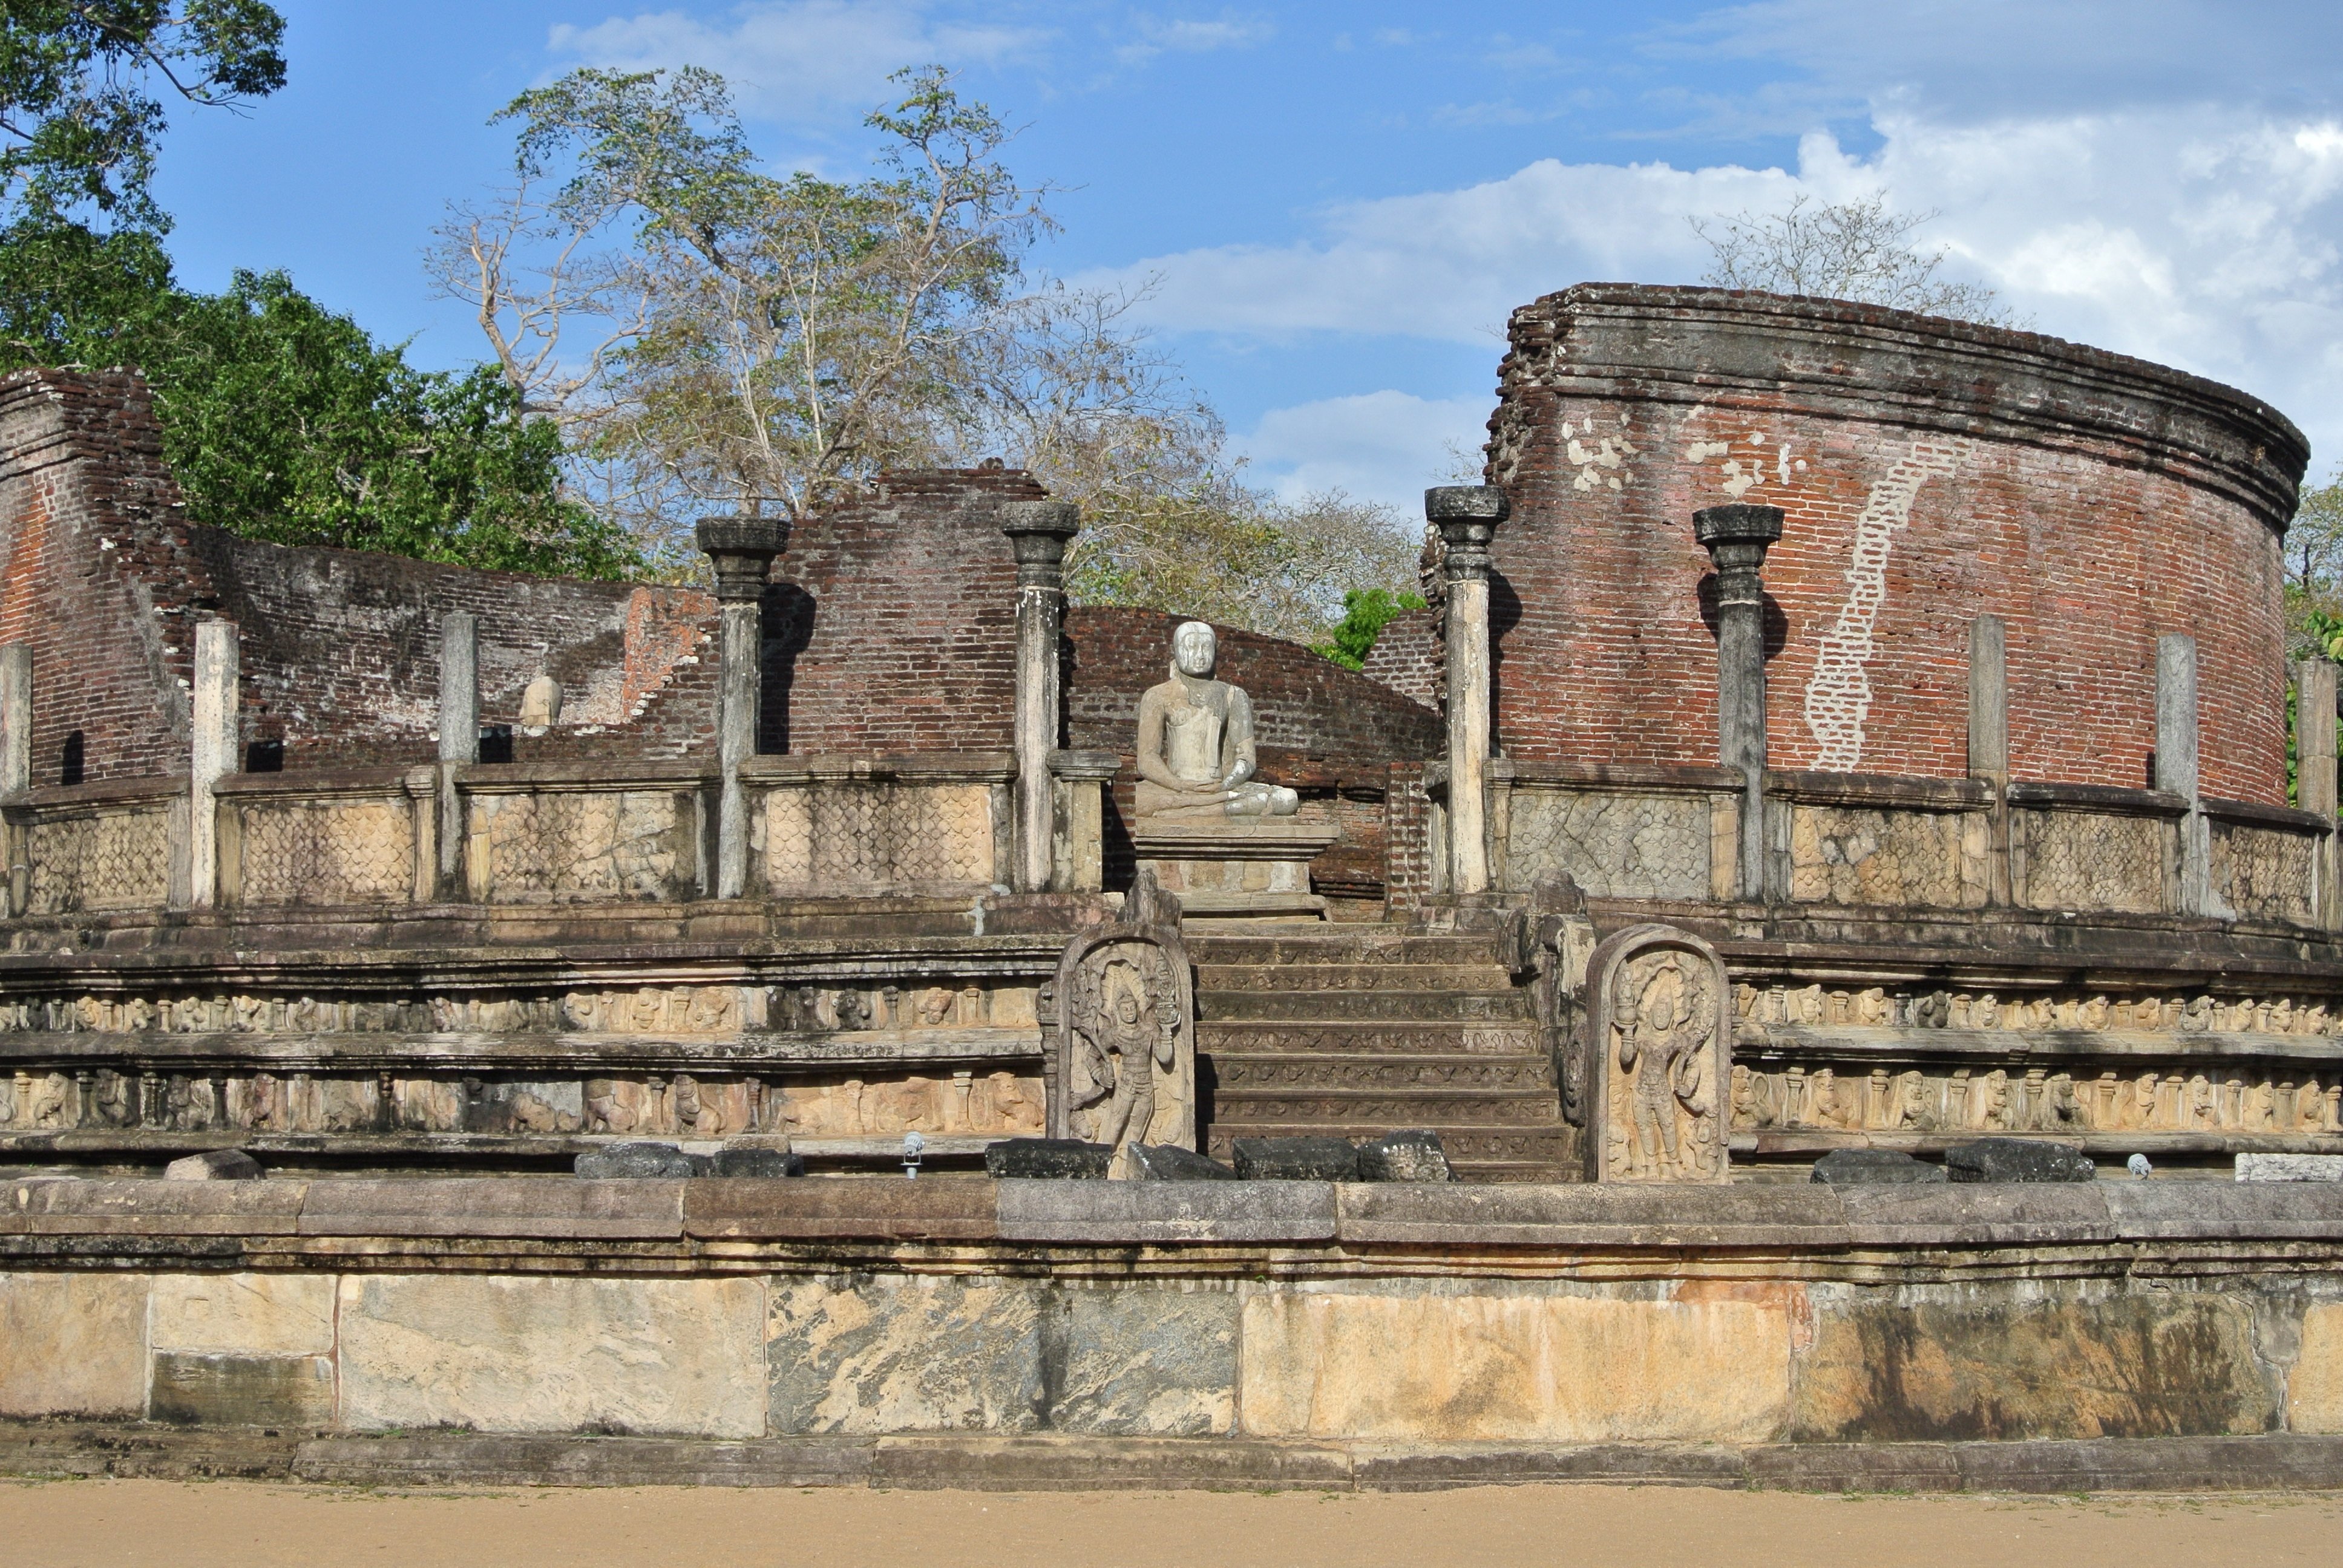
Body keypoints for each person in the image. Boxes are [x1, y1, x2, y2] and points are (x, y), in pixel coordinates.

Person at [1133, 621, 1299, 820]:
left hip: (1219, 788)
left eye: (1207, 647)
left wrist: (1226, 784)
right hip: (1174, 788)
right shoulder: (1157, 696)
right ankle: (1214, 808)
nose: (1200, 655)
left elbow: (1246, 758)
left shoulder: (1233, 695)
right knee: (1134, 800)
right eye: (1192, 646)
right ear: (1176, 651)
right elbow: (1147, 759)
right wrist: (1179, 785)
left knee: (1287, 799)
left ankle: (1197, 810)